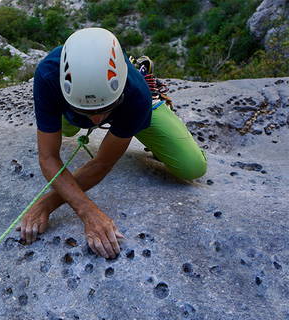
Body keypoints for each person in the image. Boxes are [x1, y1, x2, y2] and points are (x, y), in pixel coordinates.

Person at [17, 28, 207, 259]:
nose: (96, 121)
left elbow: (102, 163)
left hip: (125, 106)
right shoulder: (48, 76)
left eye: (102, 111)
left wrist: (50, 202)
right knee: (66, 126)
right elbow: (48, 157)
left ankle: (148, 95)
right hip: (70, 107)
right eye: (89, 111)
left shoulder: (136, 94)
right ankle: (80, 114)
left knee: (193, 167)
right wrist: (86, 209)